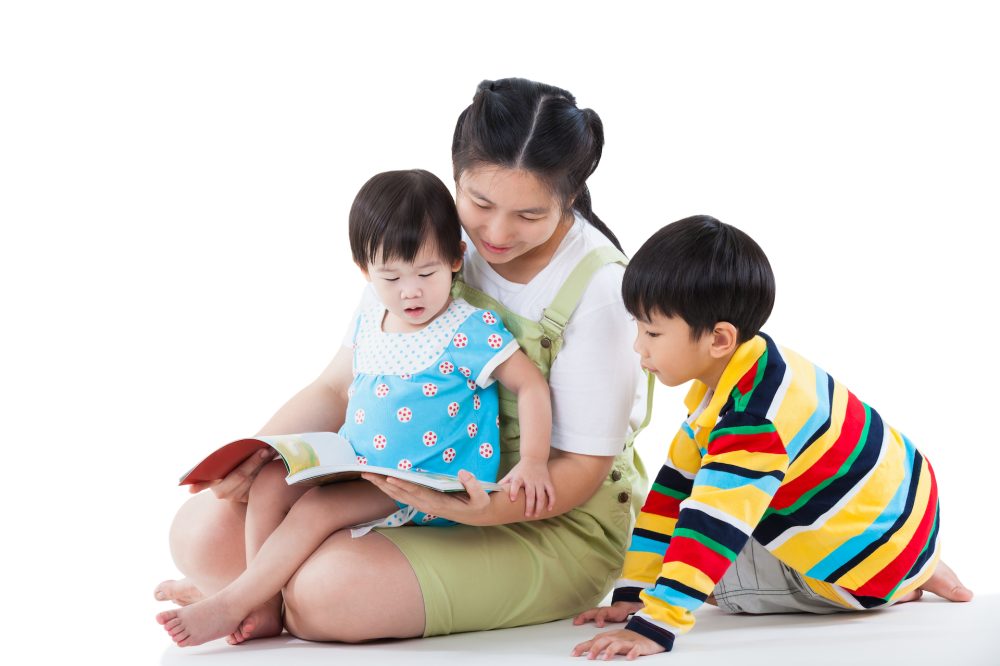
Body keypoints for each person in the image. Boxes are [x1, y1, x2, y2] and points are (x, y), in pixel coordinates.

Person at [154, 77, 651, 644]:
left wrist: (474, 510)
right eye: (480, 203)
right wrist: (261, 454)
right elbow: (340, 386)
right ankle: (259, 595)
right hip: (408, 475)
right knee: (200, 533)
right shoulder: (423, 241)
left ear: (569, 198)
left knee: (328, 592)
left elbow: (580, 471)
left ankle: (259, 593)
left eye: (529, 216)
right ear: (456, 173)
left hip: (538, 513)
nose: (495, 232)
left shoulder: (599, 289)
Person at [156, 169, 555, 647]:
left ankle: (231, 600)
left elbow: (531, 386)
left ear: (455, 258)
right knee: (269, 481)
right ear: (365, 270)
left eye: (427, 273)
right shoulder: (372, 316)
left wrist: (533, 461)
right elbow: (334, 388)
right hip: (360, 467)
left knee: (316, 510)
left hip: (421, 482)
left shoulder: (469, 329)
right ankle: (260, 603)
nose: (411, 291)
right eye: (391, 276)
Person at [573, 215, 974, 659]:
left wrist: (653, 624)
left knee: (706, 572)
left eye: (651, 332)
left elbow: (711, 527)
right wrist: (632, 592)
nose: (638, 347)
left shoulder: (751, 423)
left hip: (862, 564)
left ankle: (889, 585)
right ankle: (909, 566)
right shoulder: (761, 363)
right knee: (702, 513)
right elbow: (673, 488)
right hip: (904, 516)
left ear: (719, 338)